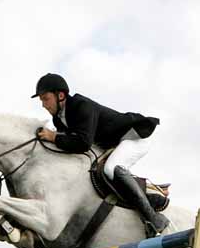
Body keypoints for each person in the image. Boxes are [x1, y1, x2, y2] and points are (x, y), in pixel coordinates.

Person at [32, 72, 168, 238]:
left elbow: (83, 143)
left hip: (135, 136)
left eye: (46, 99)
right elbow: (69, 145)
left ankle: (153, 218)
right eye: (41, 101)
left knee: (111, 168)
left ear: (60, 95)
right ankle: (150, 194)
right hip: (113, 144)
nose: (44, 105)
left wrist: (53, 137)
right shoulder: (58, 120)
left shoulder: (81, 106)